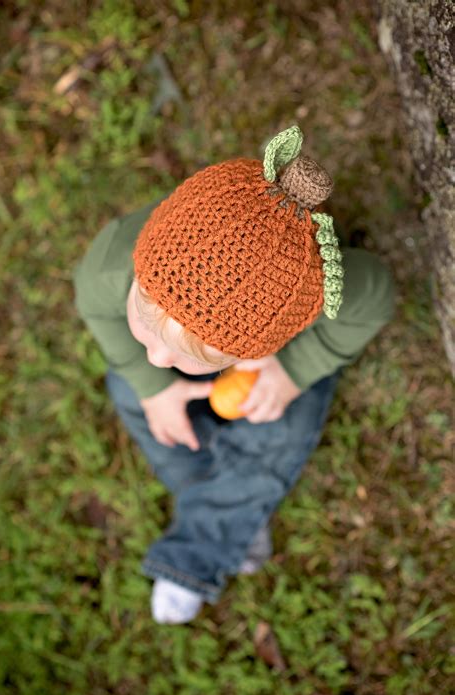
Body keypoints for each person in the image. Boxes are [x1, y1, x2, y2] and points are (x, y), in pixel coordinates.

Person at [73, 125, 396, 624]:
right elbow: (101, 314)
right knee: (130, 386)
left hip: (274, 368)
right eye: (143, 318)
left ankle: (196, 552)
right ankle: (231, 508)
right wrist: (155, 389)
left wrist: (292, 371)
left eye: (184, 352)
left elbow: (376, 296)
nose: (156, 355)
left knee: (276, 430)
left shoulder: (317, 293)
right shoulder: (111, 268)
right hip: (242, 358)